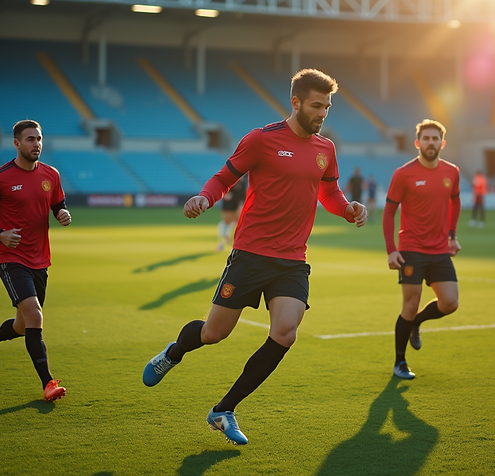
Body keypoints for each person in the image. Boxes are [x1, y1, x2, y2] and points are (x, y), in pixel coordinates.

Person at [142, 68, 367, 446]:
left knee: (285, 332)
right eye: (316, 106)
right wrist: (204, 197)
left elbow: (328, 194)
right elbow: (224, 177)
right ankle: (175, 351)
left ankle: (224, 409)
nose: (322, 114)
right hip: (251, 254)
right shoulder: (261, 140)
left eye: (327, 107)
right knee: (214, 334)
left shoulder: (325, 149)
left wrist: (347, 209)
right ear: (295, 103)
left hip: (293, 259)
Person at [0, 120, 72, 401]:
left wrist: (62, 214)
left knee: (23, 325)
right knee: (36, 316)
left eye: (39, 139)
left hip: (41, 259)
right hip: (11, 258)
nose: (36, 144)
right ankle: (48, 383)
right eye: (30, 139)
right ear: (16, 143)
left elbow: (57, 204)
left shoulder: (51, 174)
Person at [384, 119, 461, 380]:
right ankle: (399, 362)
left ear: (442, 143)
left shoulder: (452, 172)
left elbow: (455, 202)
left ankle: (417, 322)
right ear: (418, 143)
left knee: (450, 302)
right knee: (410, 303)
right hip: (411, 249)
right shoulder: (403, 174)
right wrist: (391, 250)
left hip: (439, 250)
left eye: (435, 138)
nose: (431, 143)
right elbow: (389, 213)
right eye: (426, 139)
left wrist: (452, 236)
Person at [217, 178, 247, 251]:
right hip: (228, 207)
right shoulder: (230, 181)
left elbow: (242, 196)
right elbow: (226, 195)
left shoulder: (242, 184)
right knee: (226, 223)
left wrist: (241, 206)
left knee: (235, 224)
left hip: (236, 208)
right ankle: (222, 242)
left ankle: (228, 240)